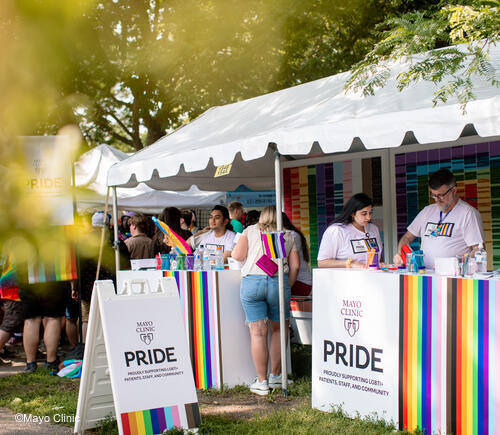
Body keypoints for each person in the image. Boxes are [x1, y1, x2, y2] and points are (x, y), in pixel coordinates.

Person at [231, 206, 299, 395]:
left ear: (261, 216)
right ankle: (276, 376)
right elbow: (295, 266)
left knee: (258, 333)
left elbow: (237, 255)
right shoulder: (288, 235)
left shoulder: (249, 231)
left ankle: (261, 381)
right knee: (279, 330)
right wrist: (287, 286)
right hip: (278, 282)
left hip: (252, 282)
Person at [393, 168, 484, 270]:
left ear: (454, 190)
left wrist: (457, 266)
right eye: (434, 195)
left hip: (453, 277)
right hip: (425, 275)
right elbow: (407, 238)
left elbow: (478, 249)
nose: (436, 200)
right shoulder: (427, 211)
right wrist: (403, 255)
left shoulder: (468, 213)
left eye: (441, 195)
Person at [317, 193, 383, 268]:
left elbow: (378, 256)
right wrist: (350, 263)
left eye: (370, 213)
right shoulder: (337, 230)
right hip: (347, 278)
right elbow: (322, 263)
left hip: (373, 277)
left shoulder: (373, 229)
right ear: (352, 213)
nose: (368, 217)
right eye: (364, 214)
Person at [282, 213, 312, 296]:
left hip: (299, 282)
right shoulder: (293, 233)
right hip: (301, 282)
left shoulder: (290, 235)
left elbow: (290, 264)